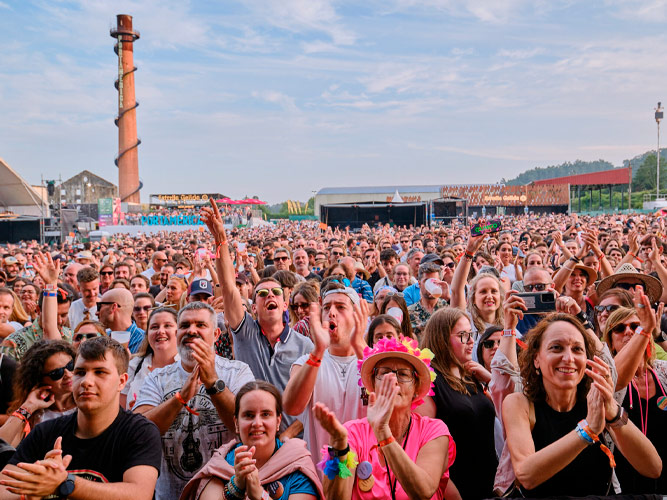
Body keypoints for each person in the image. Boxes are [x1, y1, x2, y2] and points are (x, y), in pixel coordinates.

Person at [502, 313, 661, 497]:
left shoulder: (595, 399)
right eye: (556, 348)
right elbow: (526, 476)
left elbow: (653, 468)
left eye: (577, 349)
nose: (568, 358)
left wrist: (612, 410)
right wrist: (586, 431)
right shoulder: (519, 403)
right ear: (536, 358)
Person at [0, 336, 162, 500]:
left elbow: (139, 495)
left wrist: (64, 483)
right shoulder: (46, 432)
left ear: (122, 381)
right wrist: (30, 491)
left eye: (100, 372)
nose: (86, 381)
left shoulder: (140, 432)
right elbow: (3, 489)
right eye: (80, 372)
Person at [201, 200, 313, 421]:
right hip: (253, 435)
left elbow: (312, 400)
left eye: (275, 293)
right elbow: (229, 288)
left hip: (294, 444)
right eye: (261, 294)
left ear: (284, 304)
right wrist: (220, 240)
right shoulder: (245, 333)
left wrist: (288, 438)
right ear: (253, 307)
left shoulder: (304, 345)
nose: (269, 295)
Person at [134, 302, 255, 500]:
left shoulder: (238, 372)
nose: (191, 331)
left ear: (216, 335)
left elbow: (244, 426)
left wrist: (213, 384)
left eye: (200, 325)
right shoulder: (157, 378)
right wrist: (179, 399)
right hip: (170, 494)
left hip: (225, 492)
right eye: (184, 326)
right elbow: (140, 430)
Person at [313, 335, 455, 500]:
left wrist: (383, 432)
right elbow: (336, 498)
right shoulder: (352, 432)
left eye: (403, 374)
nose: (393, 380)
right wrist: (339, 447)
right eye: (385, 373)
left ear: (416, 387)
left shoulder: (433, 430)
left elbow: (423, 491)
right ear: (373, 384)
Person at [180, 381, 324, 500]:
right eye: (248, 415)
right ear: (236, 423)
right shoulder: (221, 463)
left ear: (278, 421)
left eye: (266, 414)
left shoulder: (296, 463)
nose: (257, 423)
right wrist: (236, 486)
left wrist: (259, 495)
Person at [418, 307, 498, 499]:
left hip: (490, 486)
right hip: (457, 489)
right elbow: (421, 447)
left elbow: (501, 417)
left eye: (471, 334)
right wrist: (449, 492)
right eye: (463, 335)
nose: (471, 341)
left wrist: (490, 381)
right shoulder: (429, 382)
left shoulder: (472, 377)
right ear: (442, 339)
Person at [283, 284, 368, 463]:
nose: (331, 312)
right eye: (327, 307)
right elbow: (291, 407)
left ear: (357, 316)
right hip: (319, 476)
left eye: (340, 307)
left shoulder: (374, 361)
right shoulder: (306, 361)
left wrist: (360, 345)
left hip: (365, 479)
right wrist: (318, 351)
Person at [602, 294, 667, 493]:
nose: (629, 332)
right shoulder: (605, 377)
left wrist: (654, 333)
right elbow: (616, 379)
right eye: (620, 329)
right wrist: (644, 329)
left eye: (636, 326)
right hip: (624, 483)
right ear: (610, 342)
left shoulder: (663, 372)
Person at [0, 340, 77, 448]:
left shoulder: (88, 400)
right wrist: (28, 406)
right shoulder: (35, 416)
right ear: (39, 380)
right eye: (57, 373)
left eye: (70, 365)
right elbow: (2, 446)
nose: (68, 374)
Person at [121, 307, 178, 410]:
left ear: (179, 332)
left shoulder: (189, 366)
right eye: (154, 327)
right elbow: (121, 411)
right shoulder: (133, 366)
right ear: (147, 334)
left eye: (167, 326)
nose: (160, 331)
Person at [96, 288, 145, 354]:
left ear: (113, 307)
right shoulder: (101, 338)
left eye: (99, 307)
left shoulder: (144, 341)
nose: (96, 313)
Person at [407, 262, 448, 339]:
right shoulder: (409, 312)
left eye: (434, 281)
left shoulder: (447, 307)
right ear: (419, 283)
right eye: (426, 281)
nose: (431, 284)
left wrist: (448, 298)